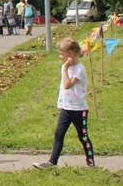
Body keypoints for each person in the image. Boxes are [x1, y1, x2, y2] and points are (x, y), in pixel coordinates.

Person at [33, 38, 95, 169]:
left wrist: (65, 68)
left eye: (61, 53)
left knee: (83, 136)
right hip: (66, 109)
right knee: (59, 134)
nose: (60, 56)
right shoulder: (68, 68)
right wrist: (66, 68)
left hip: (79, 110)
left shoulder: (79, 69)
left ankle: (91, 162)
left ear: (70, 53)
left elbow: (67, 85)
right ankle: (52, 162)